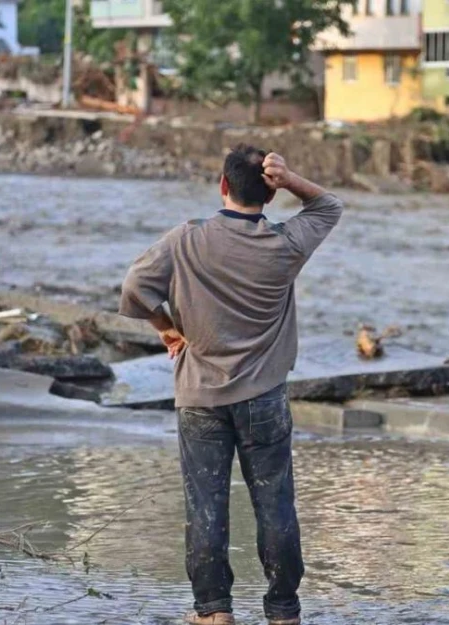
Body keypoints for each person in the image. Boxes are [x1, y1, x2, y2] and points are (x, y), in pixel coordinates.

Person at [118, 145, 344, 625]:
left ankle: (213, 613)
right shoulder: (285, 245)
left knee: (205, 505)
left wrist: (166, 328)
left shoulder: (185, 240)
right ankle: (283, 611)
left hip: (199, 396)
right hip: (264, 396)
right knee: (275, 501)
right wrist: (291, 179)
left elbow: (134, 290)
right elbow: (328, 206)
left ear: (222, 186)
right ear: (270, 192)